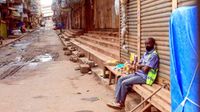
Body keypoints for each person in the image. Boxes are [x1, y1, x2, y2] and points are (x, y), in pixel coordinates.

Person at [107, 37, 159, 109]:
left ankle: (121, 103)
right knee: (120, 79)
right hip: (139, 74)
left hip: (145, 77)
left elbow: (145, 70)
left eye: (149, 44)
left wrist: (140, 66)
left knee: (124, 83)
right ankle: (116, 101)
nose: (147, 45)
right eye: (145, 44)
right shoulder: (146, 54)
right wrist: (141, 65)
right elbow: (138, 64)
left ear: (153, 44)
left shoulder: (154, 55)